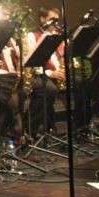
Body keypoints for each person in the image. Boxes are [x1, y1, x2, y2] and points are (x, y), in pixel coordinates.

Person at [26, 7, 64, 135]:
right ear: (42, 19)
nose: (56, 23)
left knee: (81, 82)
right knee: (49, 90)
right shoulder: (32, 36)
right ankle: (31, 129)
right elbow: (32, 62)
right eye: (52, 19)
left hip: (57, 73)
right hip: (41, 74)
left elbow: (58, 58)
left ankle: (81, 126)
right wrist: (50, 73)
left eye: (57, 20)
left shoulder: (56, 36)